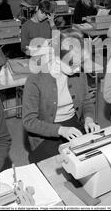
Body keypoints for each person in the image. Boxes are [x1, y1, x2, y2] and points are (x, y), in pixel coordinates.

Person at [22, 29, 99, 163]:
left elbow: (87, 101)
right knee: (57, 166)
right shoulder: (35, 80)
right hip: (46, 131)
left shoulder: (77, 73)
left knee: (93, 155)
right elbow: (29, 121)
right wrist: (61, 130)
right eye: (73, 65)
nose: (78, 70)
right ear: (57, 59)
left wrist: (89, 119)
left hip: (73, 123)